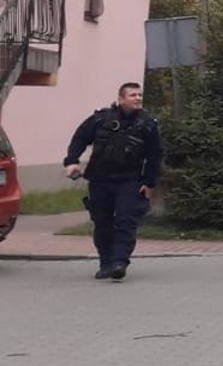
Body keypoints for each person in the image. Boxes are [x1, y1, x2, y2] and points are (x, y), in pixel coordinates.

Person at [63, 82, 164, 281]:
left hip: (130, 180)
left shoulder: (147, 124)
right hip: (100, 179)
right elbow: (80, 137)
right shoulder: (100, 119)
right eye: (133, 95)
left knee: (125, 221)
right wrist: (72, 161)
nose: (138, 98)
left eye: (140, 95)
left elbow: (155, 155)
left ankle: (119, 262)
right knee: (102, 223)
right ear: (121, 99)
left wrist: (149, 182)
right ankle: (105, 263)